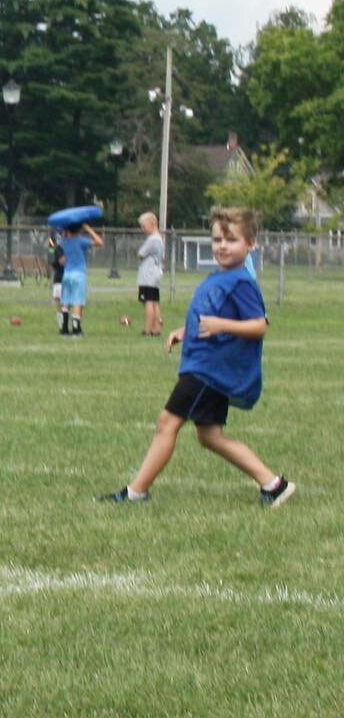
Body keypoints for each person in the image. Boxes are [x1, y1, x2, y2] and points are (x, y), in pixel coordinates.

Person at [100, 207, 294, 509]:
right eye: (217, 239)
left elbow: (259, 325)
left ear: (251, 244)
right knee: (209, 436)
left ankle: (136, 491)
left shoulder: (241, 281)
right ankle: (274, 485)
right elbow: (210, 317)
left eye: (231, 240)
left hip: (208, 371)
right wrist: (185, 330)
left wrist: (221, 326)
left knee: (167, 423)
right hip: (204, 366)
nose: (222, 246)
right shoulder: (219, 276)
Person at [58, 220, 104, 337]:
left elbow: (61, 251)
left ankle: (63, 328)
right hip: (79, 274)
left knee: (66, 301)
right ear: (79, 230)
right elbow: (99, 242)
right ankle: (76, 328)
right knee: (78, 301)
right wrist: (88, 229)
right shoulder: (81, 241)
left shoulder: (64, 241)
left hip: (66, 274)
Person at [136, 211, 164, 336]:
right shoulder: (160, 239)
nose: (142, 229)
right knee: (154, 301)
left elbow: (140, 254)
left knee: (147, 301)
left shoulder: (152, 240)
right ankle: (156, 328)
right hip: (156, 273)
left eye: (143, 226)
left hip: (148, 275)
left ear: (152, 224)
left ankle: (148, 329)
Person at [48, 233, 66, 330]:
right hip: (59, 278)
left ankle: (67, 323)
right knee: (59, 303)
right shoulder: (56, 245)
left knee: (68, 304)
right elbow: (54, 259)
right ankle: (62, 325)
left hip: (69, 277)